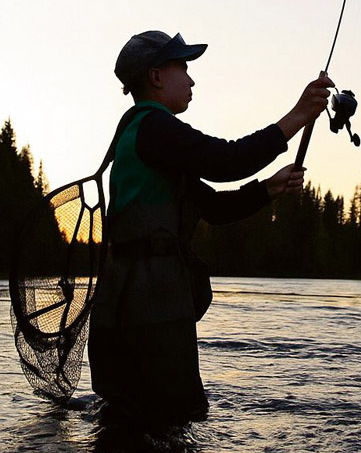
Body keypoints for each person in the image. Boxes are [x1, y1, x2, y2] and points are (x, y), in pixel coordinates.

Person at [88, 30, 333, 428]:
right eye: (182, 67)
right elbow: (226, 160)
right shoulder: (154, 128)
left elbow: (214, 207)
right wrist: (297, 117)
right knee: (168, 424)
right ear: (155, 77)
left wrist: (269, 188)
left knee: (137, 430)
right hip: (147, 306)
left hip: (135, 303)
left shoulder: (145, 138)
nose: (191, 79)